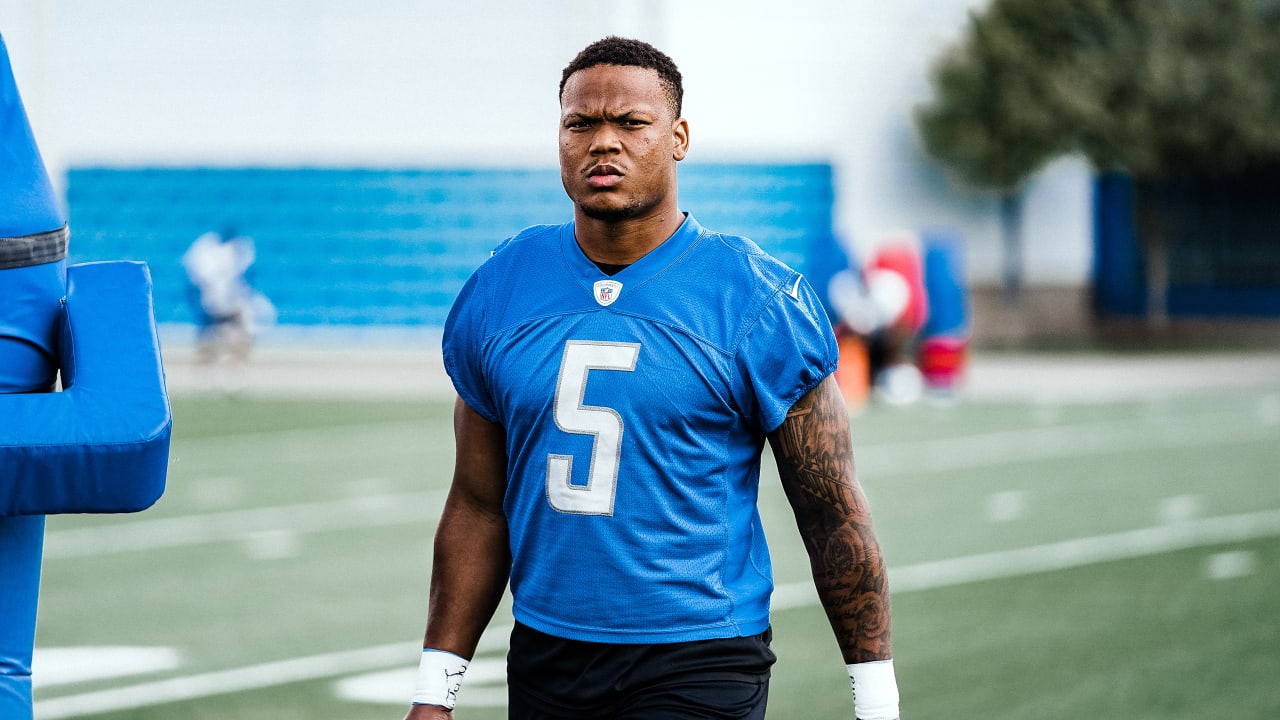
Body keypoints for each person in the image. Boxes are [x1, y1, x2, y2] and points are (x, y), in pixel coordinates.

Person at [405, 36, 900, 720]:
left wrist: (876, 701)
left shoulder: (754, 299)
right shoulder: (501, 288)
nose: (603, 143)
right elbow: (477, 504)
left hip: (699, 654)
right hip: (548, 652)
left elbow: (831, 511)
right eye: (581, 124)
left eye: (631, 124)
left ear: (678, 138)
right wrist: (436, 689)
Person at [181, 226, 272, 376]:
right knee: (227, 328)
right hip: (220, 300)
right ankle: (225, 364)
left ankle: (226, 364)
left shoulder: (226, 251)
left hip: (224, 300)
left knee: (231, 328)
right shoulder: (215, 253)